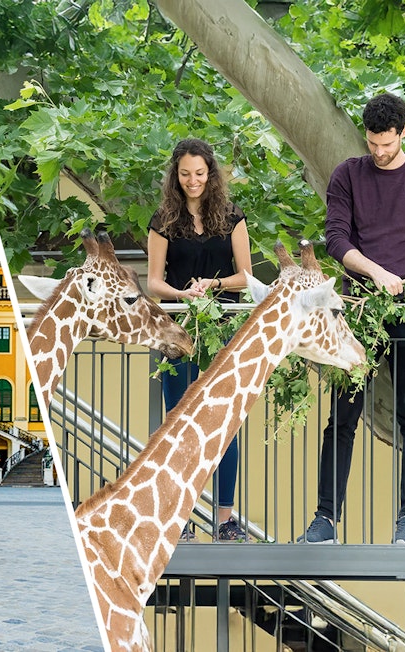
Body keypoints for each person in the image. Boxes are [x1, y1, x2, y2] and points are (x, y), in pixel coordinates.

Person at [299, 92, 405, 545]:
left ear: (403, 133)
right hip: (358, 309)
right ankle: (325, 519)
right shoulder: (348, 175)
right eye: (372, 143)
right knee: (342, 416)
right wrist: (376, 273)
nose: (378, 152)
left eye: (387, 144)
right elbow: (336, 239)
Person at [147, 138, 253, 542]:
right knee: (179, 427)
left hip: (223, 329)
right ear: (176, 175)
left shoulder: (232, 216)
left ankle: (225, 519)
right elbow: (155, 281)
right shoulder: (163, 220)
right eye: (185, 174)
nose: (193, 181)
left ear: (211, 174)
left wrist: (215, 284)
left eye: (200, 173)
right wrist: (183, 294)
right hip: (177, 332)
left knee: (223, 424)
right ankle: (182, 518)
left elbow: (246, 276)